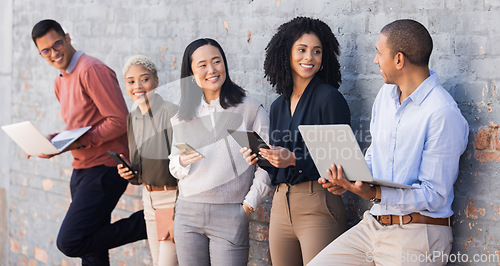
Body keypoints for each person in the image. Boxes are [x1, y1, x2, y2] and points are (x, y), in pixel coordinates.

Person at [309, 19, 469, 265]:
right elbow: (376, 154)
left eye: (378, 53)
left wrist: (374, 193)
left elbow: (435, 195)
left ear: (398, 59)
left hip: (417, 234)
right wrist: (352, 180)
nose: (375, 61)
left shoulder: (442, 113)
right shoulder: (386, 96)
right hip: (373, 226)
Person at [31, 19, 147, 265]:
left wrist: (78, 143)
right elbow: (81, 124)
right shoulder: (60, 81)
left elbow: (118, 120)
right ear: (40, 54)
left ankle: (148, 221)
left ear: (68, 38)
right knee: (92, 251)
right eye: (46, 50)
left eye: (57, 44)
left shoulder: (91, 69)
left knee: (71, 241)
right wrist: (53, 140)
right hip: (81, 170)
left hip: (106, 169)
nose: (54, 53)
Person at [242, 16, 351, 265]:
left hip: (318, 203)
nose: (309, 57)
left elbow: (341, 164)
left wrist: (293, 160)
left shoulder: (330, 99)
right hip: (281, 204)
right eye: (301, 50)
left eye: (316, 52)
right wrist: (262, 159)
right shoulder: (279, 105)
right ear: (286, 54)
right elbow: (280, 165)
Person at [168, 38, 271, 265]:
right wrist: (182, 161)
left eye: (217, 61)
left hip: (230, 213)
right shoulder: (182, 116)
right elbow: (174, 166)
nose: (212, 70)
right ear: (191, 74)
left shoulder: (250, 109)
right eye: (202, 65)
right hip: (187, 213)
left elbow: (267, 166)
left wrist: (246, 207)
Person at [117, 55, 178, 265]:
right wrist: (130, 174)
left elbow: (185, 164)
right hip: (149, 201)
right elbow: (138, 169)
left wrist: (179, 206)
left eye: (144, 79)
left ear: (156, 81)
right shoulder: (132, 118)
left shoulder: (171, 112)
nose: (138, 86)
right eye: (131, 81)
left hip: (173, 199)